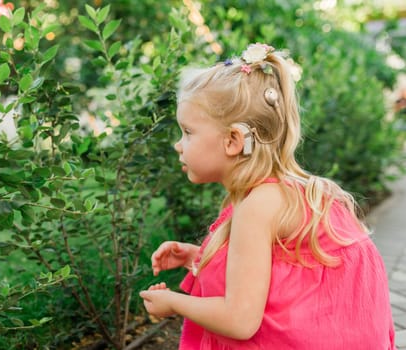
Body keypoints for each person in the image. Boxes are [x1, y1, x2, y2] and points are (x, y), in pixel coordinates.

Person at [139, 43, 396, 349]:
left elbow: (240, 320)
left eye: (188, 132)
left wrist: (173, 302)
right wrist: (198, 258)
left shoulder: (258, 206)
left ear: (233, 140)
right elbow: (281, 279)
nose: (178, 145)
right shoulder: (286, 192)